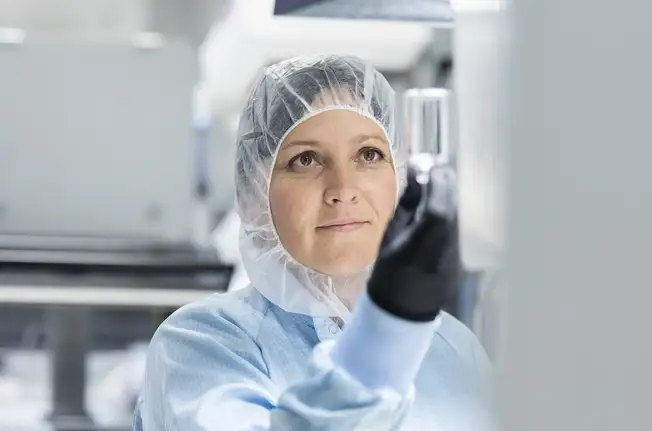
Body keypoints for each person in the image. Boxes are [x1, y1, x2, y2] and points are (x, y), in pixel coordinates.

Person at [134, 55, 492, 430]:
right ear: (255, 192)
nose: (343, 189)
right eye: (306, 160)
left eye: (369, 154)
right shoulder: (203, 344)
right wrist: (390, 327)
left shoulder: (455, 348)